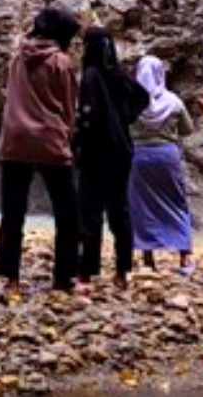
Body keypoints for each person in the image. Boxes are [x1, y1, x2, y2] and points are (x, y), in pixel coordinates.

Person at [0, 5, 83, 292]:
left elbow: (10, 95)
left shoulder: (18, 58)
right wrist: (67, 134)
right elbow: (69, 108)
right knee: (67, 212)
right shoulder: (61, 62)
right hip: (49, 140)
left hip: (15, 139)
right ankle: (63, 277)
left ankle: (11, 279)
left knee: (13, 211)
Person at [73, 26, 142, 283]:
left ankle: (88, 268)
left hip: (96, 151)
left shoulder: (91, 75)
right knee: (119, 208)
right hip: (122, 149)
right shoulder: (118, 75)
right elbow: (142, 96)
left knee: (90, 208)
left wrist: (78, 142)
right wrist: (125, 117)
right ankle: (123, 269)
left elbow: (87, 117)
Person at [127, 53, 196, 274]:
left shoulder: (130, 101)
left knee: (142, 205)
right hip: (167, 156)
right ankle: (185, 256)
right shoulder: (173, 101)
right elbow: (188, 129)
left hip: (137, 156)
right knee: (176, 201)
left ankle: (148, 257)